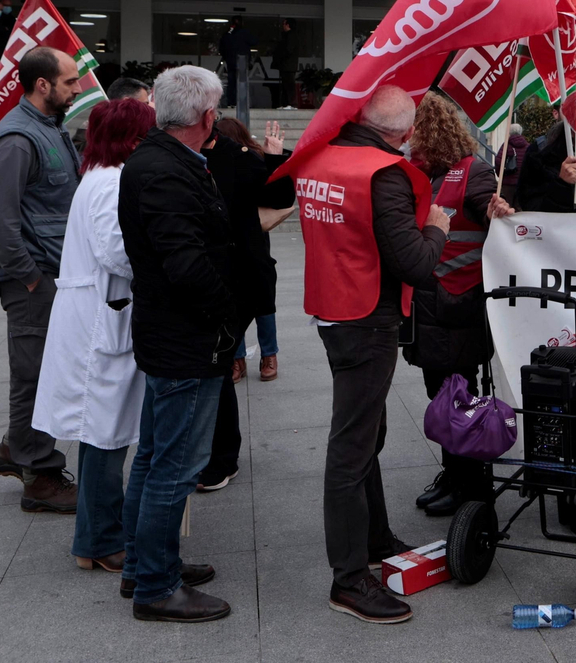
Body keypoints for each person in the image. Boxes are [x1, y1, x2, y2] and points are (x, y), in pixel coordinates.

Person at [290, 84, 451, 624]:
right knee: (352, 446)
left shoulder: (322, 156)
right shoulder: (385, 173)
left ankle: (376, 539)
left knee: (368, 432)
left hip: (333, 308)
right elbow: (416, 264)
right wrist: (438, 228)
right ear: (406, 132)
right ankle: (349, 580)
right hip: (366, 318)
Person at [117, 65, 238, 621]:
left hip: (171, 334)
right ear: (207, 117)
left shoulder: (159, 159)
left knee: (155, 456)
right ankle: (155, 586)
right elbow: (186, 265)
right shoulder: (165, 169)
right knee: (175, 465)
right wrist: (228, 314)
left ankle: (144, 565)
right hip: (184, 338)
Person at [31, 99, 156, 579]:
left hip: (100, 313)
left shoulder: (100, 175)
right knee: (105, 434)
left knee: (102, 432)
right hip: (102, 319)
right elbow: (116, 251)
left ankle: (96, 537)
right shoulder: (111, 181)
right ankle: (100, 540)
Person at [0, 47, 83, 513]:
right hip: (32, 279)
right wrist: (30, 279)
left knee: (44, 372)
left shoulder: (48, 128)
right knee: (35, 376)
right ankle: (39, 478)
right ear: (43, 85)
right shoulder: (18, 138)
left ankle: (13, 449)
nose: (77, 88)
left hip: (48, 273)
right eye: (69, 81)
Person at [407, 95, 512, 517]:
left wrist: (497, 212)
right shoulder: (417, 173)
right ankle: (454, 475)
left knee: (458, 397)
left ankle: (469, 483)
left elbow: (494, 216)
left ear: (430, 131)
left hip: (458, 306)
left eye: (412, 131)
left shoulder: (473, 171)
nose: (407, 139)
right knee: (440, 395)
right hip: (427, 307)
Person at [198, 117, 297, 495]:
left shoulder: (237, 157)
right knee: (215, 364)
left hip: (242, 278)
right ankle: (217, 452)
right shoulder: (182, 156)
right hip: (211, 278)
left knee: (216, 365)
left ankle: (223, 457)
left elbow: (280, 197)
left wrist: (274, 159)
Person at [221, 118, 292, 388]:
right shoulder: (212, 164)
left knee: (263, 301)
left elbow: (279, 196)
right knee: (232, 305)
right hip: (227, 248)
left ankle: (268, 355)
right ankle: (238, 358)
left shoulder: (252, 161)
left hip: (253, 246)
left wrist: (274, 158)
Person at [217, 17, 257, 107]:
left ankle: (231, 102)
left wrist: (226, 57)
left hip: (231, 61)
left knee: (231, 82)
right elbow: (254, 41)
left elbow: (221, 48)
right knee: (242, 82)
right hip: (242, 61)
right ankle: (242, 102)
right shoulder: (244, 32)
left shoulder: (227, 33)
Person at [497, 122, 530, 206]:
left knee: (506, 206)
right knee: (520, 207)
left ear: (510, 132)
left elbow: (498, 161)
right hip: (523, 183)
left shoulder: (506, 145)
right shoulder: (527, 146)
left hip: (508, 182)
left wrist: (501, 175)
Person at [273, 18, 299, 109]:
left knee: (289, 85)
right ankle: (285, 104)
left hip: (288, 65)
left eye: (284, 24)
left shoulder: (291, 35)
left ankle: (292, 104)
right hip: (286, 65)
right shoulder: (287, 35)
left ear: (288, 25)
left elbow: (288, 50)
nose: (283, 26)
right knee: (285, 85)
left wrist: (280, 56)